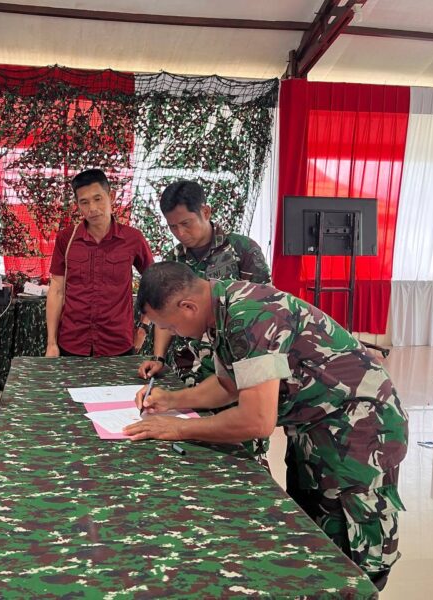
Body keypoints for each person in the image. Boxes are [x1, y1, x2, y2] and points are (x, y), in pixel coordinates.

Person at [123, 262, 408, 589]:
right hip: (315, 423)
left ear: (187, 307)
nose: (172, 333)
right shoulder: (220, 308)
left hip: (359, 426)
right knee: (312, 531)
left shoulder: (248, 316)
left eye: (169, 325)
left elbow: (256, 421)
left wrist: (176, 429)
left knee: (352, 544)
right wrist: (172, 400)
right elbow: (229, 385)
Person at [137, 180, 271, 386]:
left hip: (228, 373)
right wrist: (159, 358)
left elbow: (262, 313)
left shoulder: (242, 250)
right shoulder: (173, 259)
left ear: (206, 212)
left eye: (186, 223)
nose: (180, 233)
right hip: (183, 369)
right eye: (173, 226)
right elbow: (166, 316)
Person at [46, 169, 153, 357]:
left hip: (118, 343)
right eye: (84, 202)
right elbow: (56, 290)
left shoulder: (132, 238)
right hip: (72, 343)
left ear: (110, 196)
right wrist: (51, 343)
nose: (92, 208)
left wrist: (144, 327)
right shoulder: (66, 239)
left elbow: (155, 283)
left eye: (98, 199)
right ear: (77, 205)